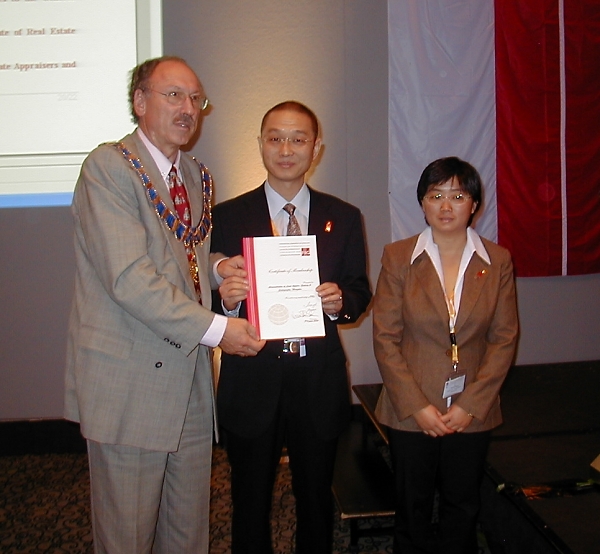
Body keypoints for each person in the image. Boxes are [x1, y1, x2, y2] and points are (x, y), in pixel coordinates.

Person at [64, 56, 265, 554]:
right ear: (140, 101)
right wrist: (219, 330)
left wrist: (218, 268)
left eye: (196, 98)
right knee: (127, 538)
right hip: (131, 384)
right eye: (173, 95)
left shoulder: (193, 174)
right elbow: (130, 278)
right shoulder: (109, 168)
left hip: (189, 382)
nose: (188, 108)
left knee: (188, 533)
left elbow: (182, 257)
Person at [210, 101, 372, 554]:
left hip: (317, 379)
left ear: (316, 148)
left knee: (316, 500)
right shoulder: (226, 216)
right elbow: (201, 293)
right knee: (249, 501)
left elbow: (360, 291)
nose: (286, 149)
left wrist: (341, 303)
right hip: (251, 376)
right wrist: (226, 302)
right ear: (260, 144)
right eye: (275, 138)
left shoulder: (343, 216)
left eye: (298, 139)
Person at [372, 157, 518, 554]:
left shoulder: (497, 260)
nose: (446, 206)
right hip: (410, 409)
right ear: (422, 203)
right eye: (436, 196)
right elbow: (385, 337)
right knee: (411, 510)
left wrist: (471, 405)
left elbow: (504, 339)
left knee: (463, 508)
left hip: (472, 409)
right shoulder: (398, 257)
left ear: (475, 204)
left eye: (458, 195)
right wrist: (417, 406)